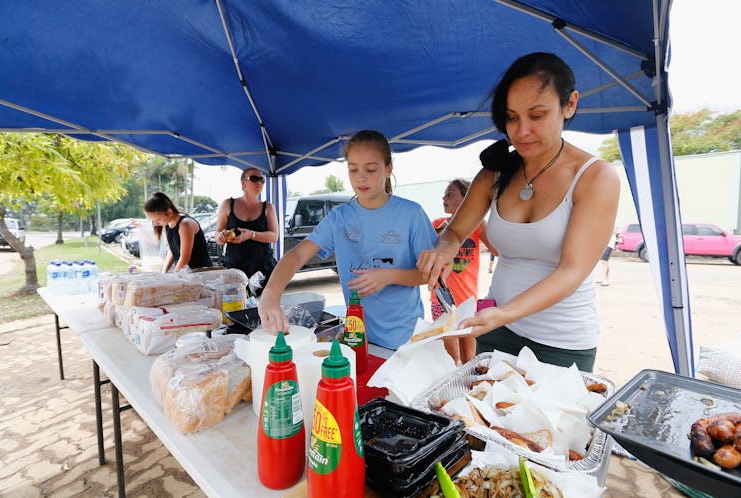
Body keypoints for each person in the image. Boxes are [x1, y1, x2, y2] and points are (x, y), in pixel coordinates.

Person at [417, 52, 620, 372]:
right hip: (496, 328)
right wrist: (442, 251)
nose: (521, 131)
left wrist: (505, 313)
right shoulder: (494, 174)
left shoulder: (596, 177)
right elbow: (455, 232)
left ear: (570, 104)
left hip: (561, 341)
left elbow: (572, 270)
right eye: (512, 118)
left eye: (537, 115)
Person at [259, 130, 437, 349]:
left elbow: (429, 274)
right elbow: (296, 255)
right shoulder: (338, 218)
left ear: (389, 168)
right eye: (353, 169)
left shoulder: (411, 214)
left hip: (406, 339)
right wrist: (270, 294)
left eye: (371, 169)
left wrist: (390, 275)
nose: (361, 177)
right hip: (358, 338)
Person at [431, 179, 498, 364]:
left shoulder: (477, 227)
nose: (444, 198)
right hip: (442, 301)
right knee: (449, 360)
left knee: (470, 359)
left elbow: (496, 250)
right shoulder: (437, 224)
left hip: (468, 302)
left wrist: (477, 212)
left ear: (467, 198)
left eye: (450, 194)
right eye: (444, 194)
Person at [214, 168, 279, 288]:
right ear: (243, 183)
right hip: (235, 269)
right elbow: (218, 234)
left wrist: (251, 234)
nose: (259, 182)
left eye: (262, 179)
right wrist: (221, 237)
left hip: (263, 268)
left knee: (264, 306)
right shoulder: (228, 204)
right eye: (254, 179)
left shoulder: (268, 207)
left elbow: (274, 236)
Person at [144, 192, 213, 272]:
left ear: (169, 212)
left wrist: (174, 276)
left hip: (201, 273)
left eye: (158, 220)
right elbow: (172, 250)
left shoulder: (185, 224)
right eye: (153, 221)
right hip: (185, 273)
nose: (156, 224)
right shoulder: (167, 224)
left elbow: (184, 259)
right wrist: (164, 271)